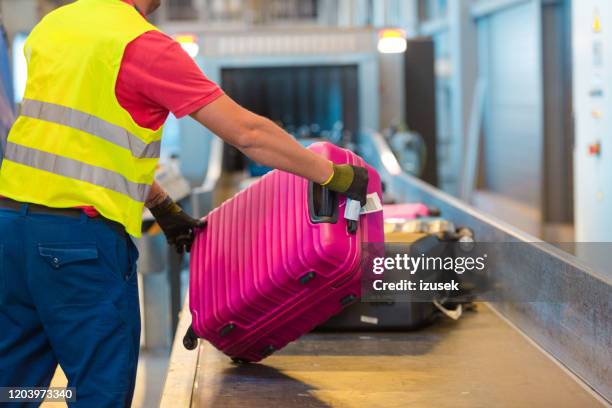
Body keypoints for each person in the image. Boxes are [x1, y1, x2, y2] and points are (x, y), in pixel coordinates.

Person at [0, 0, 369, 406]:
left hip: (11, 234)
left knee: (14, 385)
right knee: (97, 392)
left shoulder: (53, 27)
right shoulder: (142, 45)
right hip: (78, 251)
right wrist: (332, 174)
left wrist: (160, 204)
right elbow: (247, 133)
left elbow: (78, 146)